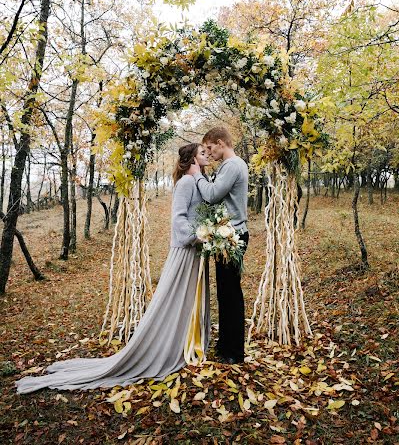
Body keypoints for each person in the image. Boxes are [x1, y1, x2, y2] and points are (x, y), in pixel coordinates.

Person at [16, 143, 210, 394]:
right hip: (186, 250)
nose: (207, 155)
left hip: (196, 251)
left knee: (188, 301)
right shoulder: (185, 182)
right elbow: (178, 219)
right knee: (177, 299)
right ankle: (169, 344)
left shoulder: (197, 180)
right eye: (202, 153)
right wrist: (198, 235)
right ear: (193, 157)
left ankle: (187, 340)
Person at [188, 127, 248, 364]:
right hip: (227, 236)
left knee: (231, 294)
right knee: (226, 292)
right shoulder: (230, 166)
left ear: (221, 143)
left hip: (232, 237)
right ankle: (226, 346)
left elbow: (212, 195)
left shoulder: (233, 165)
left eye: (211, 147)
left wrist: (197, 175)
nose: (209, 153)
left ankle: (233, 352)